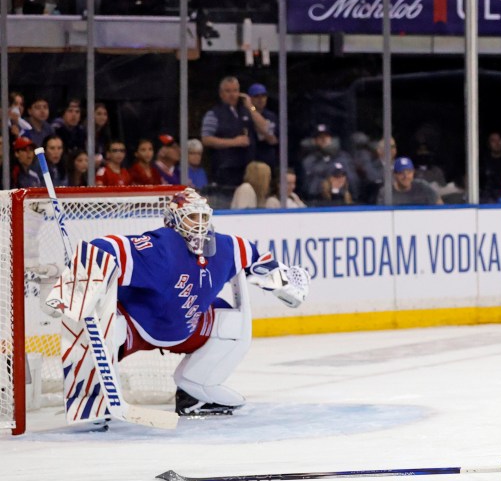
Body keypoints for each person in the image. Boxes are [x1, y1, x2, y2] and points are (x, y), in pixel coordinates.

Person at [44, 188, 310, 419]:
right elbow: (109, 248)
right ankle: (90, 397)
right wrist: (75, 280)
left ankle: (196, 391)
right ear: (173, 221)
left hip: (188, 329)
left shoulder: (228, 247)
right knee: (100, 326)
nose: (199, 225)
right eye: (192, 218)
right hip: (136, 327)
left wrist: (287, 283)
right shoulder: (160, 247)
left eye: (203, 217)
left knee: (232, 324)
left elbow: (256, 259)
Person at [200, 76, 270, 187]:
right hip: (226, 170)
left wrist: (251, 107)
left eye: (235, 90)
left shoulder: (246, 110)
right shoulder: (214, 114)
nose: (232, 95)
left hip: (248, 169)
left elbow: (266, 128)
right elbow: (206, 139)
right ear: (221, 94)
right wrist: (234, 142)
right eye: (228, 91)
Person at [377, 157, 443, 206]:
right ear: (395, 175)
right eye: (401, 173)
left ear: (413, 173)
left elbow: (440, 206)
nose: (406, 176)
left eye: (409, 172)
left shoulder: (422, 186)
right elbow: (380, 216)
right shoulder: (386, 192)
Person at [247, 82, 280, 167]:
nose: (260, 99)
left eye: (263, 96)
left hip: (267, 161)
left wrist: (251, 108)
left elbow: (273, 139)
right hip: (249, 161)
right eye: (256, 96)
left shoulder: (271, 116)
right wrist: (251, 108)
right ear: (250, 98)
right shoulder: (244, 114)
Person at [480, 131, 501, 203]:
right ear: (488, 144)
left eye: (499, 140)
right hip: (487, 198)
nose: (497, 143)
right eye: (493, 141)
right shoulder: (483, 162)